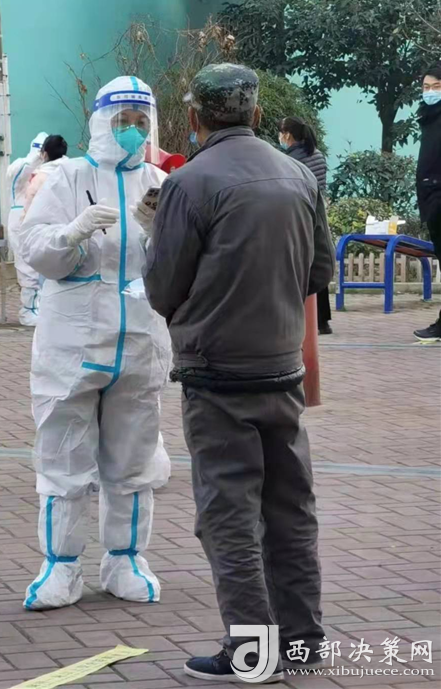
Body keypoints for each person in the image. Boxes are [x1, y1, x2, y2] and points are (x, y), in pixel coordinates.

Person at [143, 63, 334, 683]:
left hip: (217, 374)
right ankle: (303, 642)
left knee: (229, 517)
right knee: (290, 511)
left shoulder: (189, 183)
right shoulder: (298, 175)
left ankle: (253, 650)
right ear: (256, 114)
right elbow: (319, 273)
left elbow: (162, 288)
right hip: (281, 369)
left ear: (194, 117)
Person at [19, 76, 171, 610]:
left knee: (133, 458)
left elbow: (178, 265)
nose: (131, 131)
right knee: (63, 456)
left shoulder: (159, 182)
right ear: (101, 121)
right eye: (122, 120)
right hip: (72, 342)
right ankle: (60, 566)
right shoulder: (66, 177)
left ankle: (125, 559)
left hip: (139, 338)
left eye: (141, 122)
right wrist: (73, 232)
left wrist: (158, 232)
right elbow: (36, 249)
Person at [278, 116, 332, 335]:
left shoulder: (290, 160)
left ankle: (302, 318)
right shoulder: (316, 154)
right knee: (317, 264)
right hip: (316, 215)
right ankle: (322, 321)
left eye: (281, 132)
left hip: (298, 216)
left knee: (300, 266)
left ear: (287, 135)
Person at [6, 131, 49, 327]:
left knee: (44, 266)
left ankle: (40, 307)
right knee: (27, 268)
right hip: (21, 223)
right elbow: (21, 173)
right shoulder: (20, 166)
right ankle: (28, 310)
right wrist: (36, 157)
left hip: (39, 221)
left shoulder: (48, 170)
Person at [414, 62, 441, 342]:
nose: (430, 91)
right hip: (432, 197)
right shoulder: (429, 116)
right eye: (426, 87)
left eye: (437, 86)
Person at [22, 135, 69, 216]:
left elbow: (28, 207)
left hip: (43, 221)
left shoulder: (39, 178)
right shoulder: (70, 173)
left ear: (45, 155)